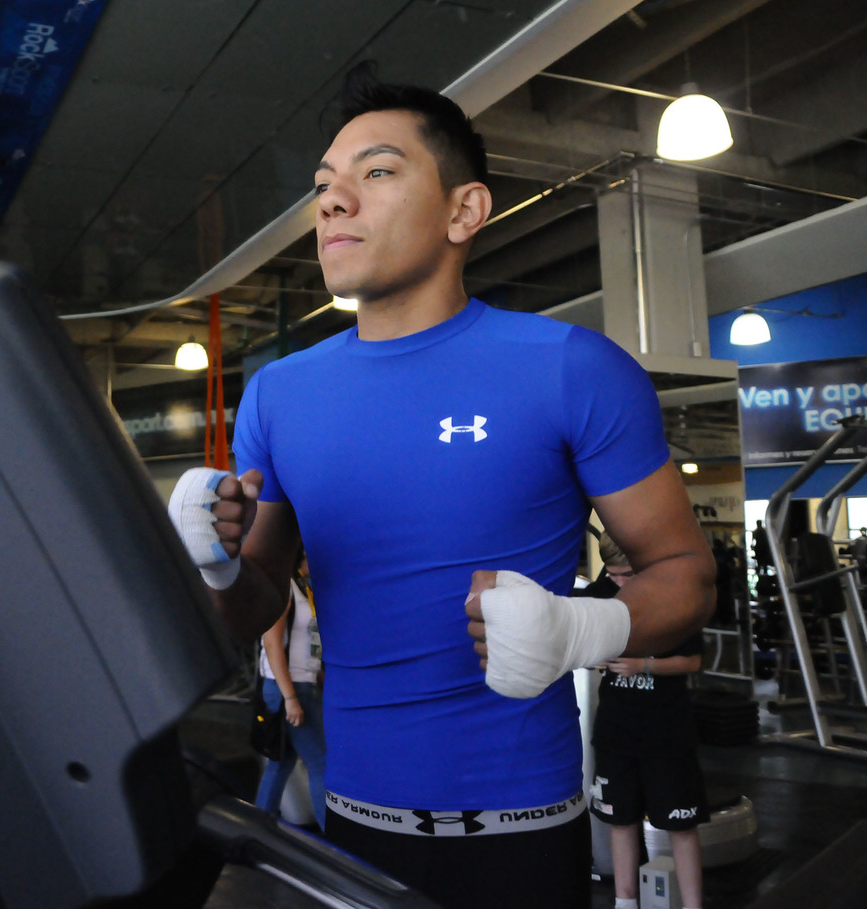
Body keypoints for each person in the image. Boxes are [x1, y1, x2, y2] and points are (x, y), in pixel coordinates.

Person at [166, 60, 715, 908]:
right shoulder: (279, 392)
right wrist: (214, 564)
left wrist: (578, 626)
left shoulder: (571, 368)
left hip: (522, 829)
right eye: (324, 185)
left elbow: (687, 575)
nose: (333, 202)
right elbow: (255, 600)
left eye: (378, 172)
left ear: (465, 210)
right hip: (354, 823)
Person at [588, 533, 708, 909]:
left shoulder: (673, 596)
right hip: (615, 730)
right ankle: (625, 903)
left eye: (626, 574)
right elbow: (580, 648)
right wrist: (591, 657)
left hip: (666, 732)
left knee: (680, 826)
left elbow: (692, 661)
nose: (618, 582)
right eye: (613, 574)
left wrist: (643, 665)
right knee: (620, 821)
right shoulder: (599, 594)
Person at [255, 553, 326, 829]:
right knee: (321, 764)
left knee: (280, 763)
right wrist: (291, 698)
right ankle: (334, 837)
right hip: (290, 687)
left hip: (299, 684)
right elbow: (271, 643)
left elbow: (309, 642)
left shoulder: (303, 588)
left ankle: (257, 827)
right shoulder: (284, 587)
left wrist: (317, 676)